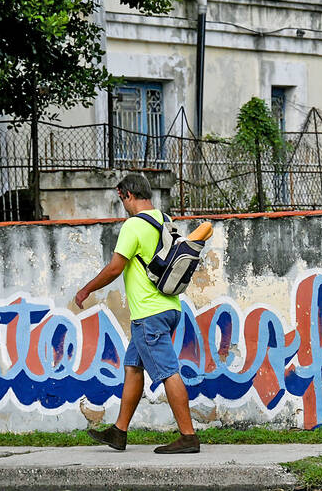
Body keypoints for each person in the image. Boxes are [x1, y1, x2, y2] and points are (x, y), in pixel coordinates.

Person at [74, 174, 200, 454]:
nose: (123, 205)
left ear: (127, 194)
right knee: (133, 367)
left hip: (149, 314)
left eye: (121, 199)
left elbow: (115, 268)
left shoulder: (134, 225)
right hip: (169, 308)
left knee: (168, 371)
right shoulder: (164, 221)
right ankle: (119, 432)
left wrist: (85, 290)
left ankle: (188, 436)